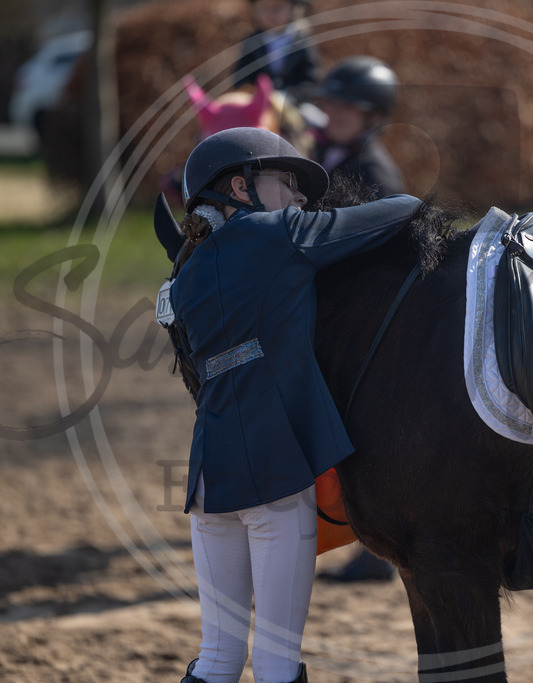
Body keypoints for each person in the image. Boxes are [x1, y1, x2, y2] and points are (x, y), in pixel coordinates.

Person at [167, 127, 421, 683]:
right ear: (241, 187)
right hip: (275, 473)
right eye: (287, 183)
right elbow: (396, 211)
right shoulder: (276, 234)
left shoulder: (183, 276)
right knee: (277, 662)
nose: (301, 199)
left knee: (217, 658)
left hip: (208, 482)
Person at [310, 55, 406, 583]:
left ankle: (376, 549)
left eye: (349, 106)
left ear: (372, 115)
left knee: (367, 437)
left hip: (368, 323)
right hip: (337, 314)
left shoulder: (373, 172)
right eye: (331, 101)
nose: (335, 111)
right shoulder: (327, 154)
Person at [312, 55, 406, 199]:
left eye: (346, 106)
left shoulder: (378, 179)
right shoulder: (316, 148)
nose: (331, 112)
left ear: (374, 117)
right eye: (330, 102)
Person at [231, 0, 321, 105]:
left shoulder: (302, 41)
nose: (271, 14)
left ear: (293, 9)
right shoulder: (251, 42)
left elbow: (311, 80)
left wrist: (287, 96)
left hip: (294, 103)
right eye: (264, 8)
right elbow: (241, 78)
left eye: (277, 8)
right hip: (257, 104)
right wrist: (257, 95)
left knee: (315, 119)